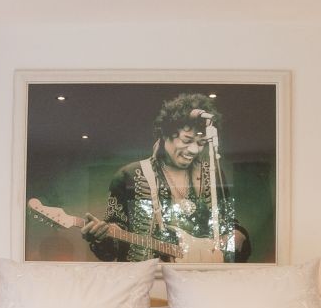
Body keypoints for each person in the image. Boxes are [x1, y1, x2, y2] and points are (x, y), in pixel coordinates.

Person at [82, 93, 249, 263]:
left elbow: (228, 224)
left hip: (200, 275)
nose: (194, 150)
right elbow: (111, 248)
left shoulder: (212, 174)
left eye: (201, 143)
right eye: (187, 140)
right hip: (147, 276)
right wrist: (102, 237)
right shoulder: (129, 175)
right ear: (165, 134)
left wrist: (236, 235)